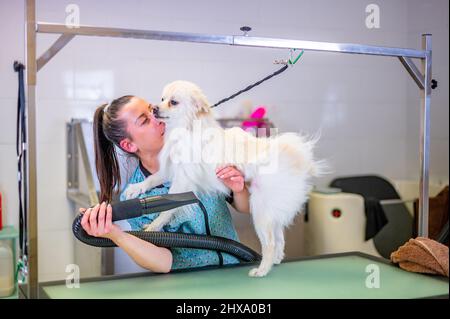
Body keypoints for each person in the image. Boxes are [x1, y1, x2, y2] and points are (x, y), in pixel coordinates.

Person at [80, 95, 250, 273]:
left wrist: (239, 189)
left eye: (153, 109)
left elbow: (244, 207)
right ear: (129, 145)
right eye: (145, 120)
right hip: (188, 289)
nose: (158, 117)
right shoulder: (137, 195)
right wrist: (115, 235)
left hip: (234, 273)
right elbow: (163, 261)